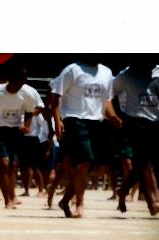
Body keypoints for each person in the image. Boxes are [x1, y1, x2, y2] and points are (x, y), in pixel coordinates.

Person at [50, 58, 122, 218]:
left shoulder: (107, 72)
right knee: (85, 162)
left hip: (97, 122)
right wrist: (57, 120)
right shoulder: (72, 70)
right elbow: (54, 95)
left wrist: (113, 116)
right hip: (75, 119)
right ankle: (79, 204)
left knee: (87, 167)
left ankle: (65, 200)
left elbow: (107, 100)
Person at [113, 58, 159, 216]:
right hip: (135, 122)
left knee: (146, 164)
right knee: (143, 164)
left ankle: (123, 190)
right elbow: (110, 94)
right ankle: (151, 204)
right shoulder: (125, 75)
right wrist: (118, 116)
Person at [0, 58, 41, 209]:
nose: (20, 84)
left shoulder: (27, 93)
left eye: (23, 81)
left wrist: (26, 125)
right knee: (4, 163)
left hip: (15, 131)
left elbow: (29, 111)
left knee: (12, 166)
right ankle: (7, 200)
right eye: (18, 81)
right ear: (10, 79)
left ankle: (11, 196)